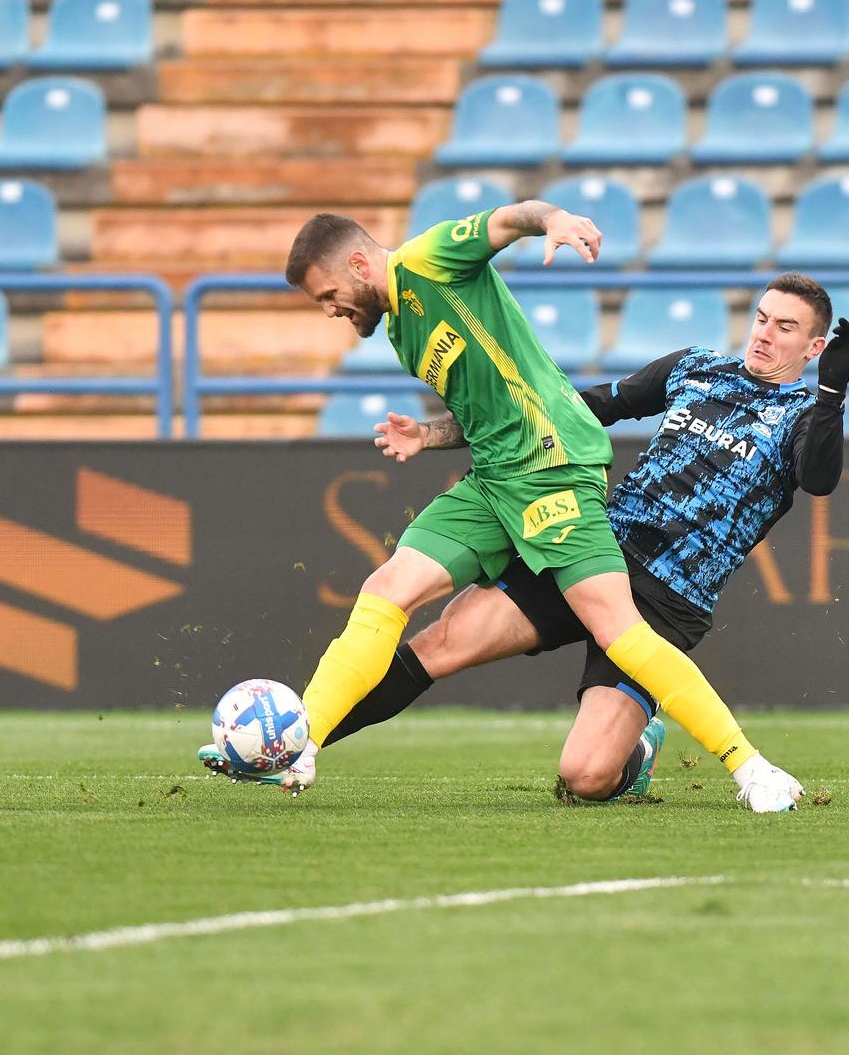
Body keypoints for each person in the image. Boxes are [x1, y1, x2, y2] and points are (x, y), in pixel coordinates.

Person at [198, 203, 803, 811]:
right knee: (386, 589)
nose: (330, 308)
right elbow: (481, 409)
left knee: (618, 632)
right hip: (493, 477)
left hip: (550, 468)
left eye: (329, 293)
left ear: (358, 263)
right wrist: (428, 436)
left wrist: (554, 221)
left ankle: (751, 769)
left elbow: (508, 220)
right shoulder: (404, 331)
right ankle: (301, 742)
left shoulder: (428, 260)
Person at [316, 275, 849, 806]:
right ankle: (294, 745)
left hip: (667, 598)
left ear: (815, 346)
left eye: (786, 328)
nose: (765, 334)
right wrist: (437, 434)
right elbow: (570, 410)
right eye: (762, 318)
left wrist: (832, 394)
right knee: (439, 645)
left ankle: (638, 747)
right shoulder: (698, 367)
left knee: (584, 777)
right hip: (590, 549)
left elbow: (819, 479)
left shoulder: (803, 415)